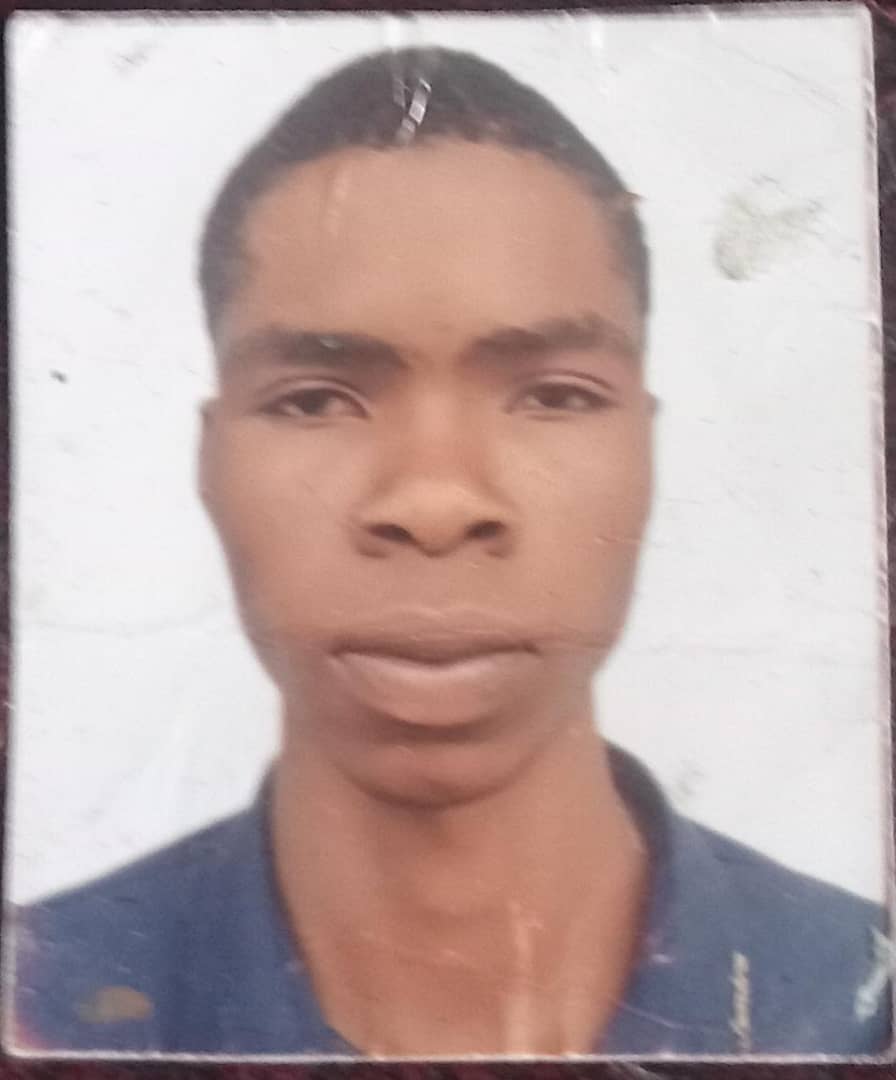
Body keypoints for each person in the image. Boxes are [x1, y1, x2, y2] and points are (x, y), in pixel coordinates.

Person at [9, 46, 890, 1058]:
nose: (434, 502)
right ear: (209, 466)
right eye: (315, 400)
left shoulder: (859, 1003)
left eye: (553, 395)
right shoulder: (35, 1005)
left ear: (645, 453)